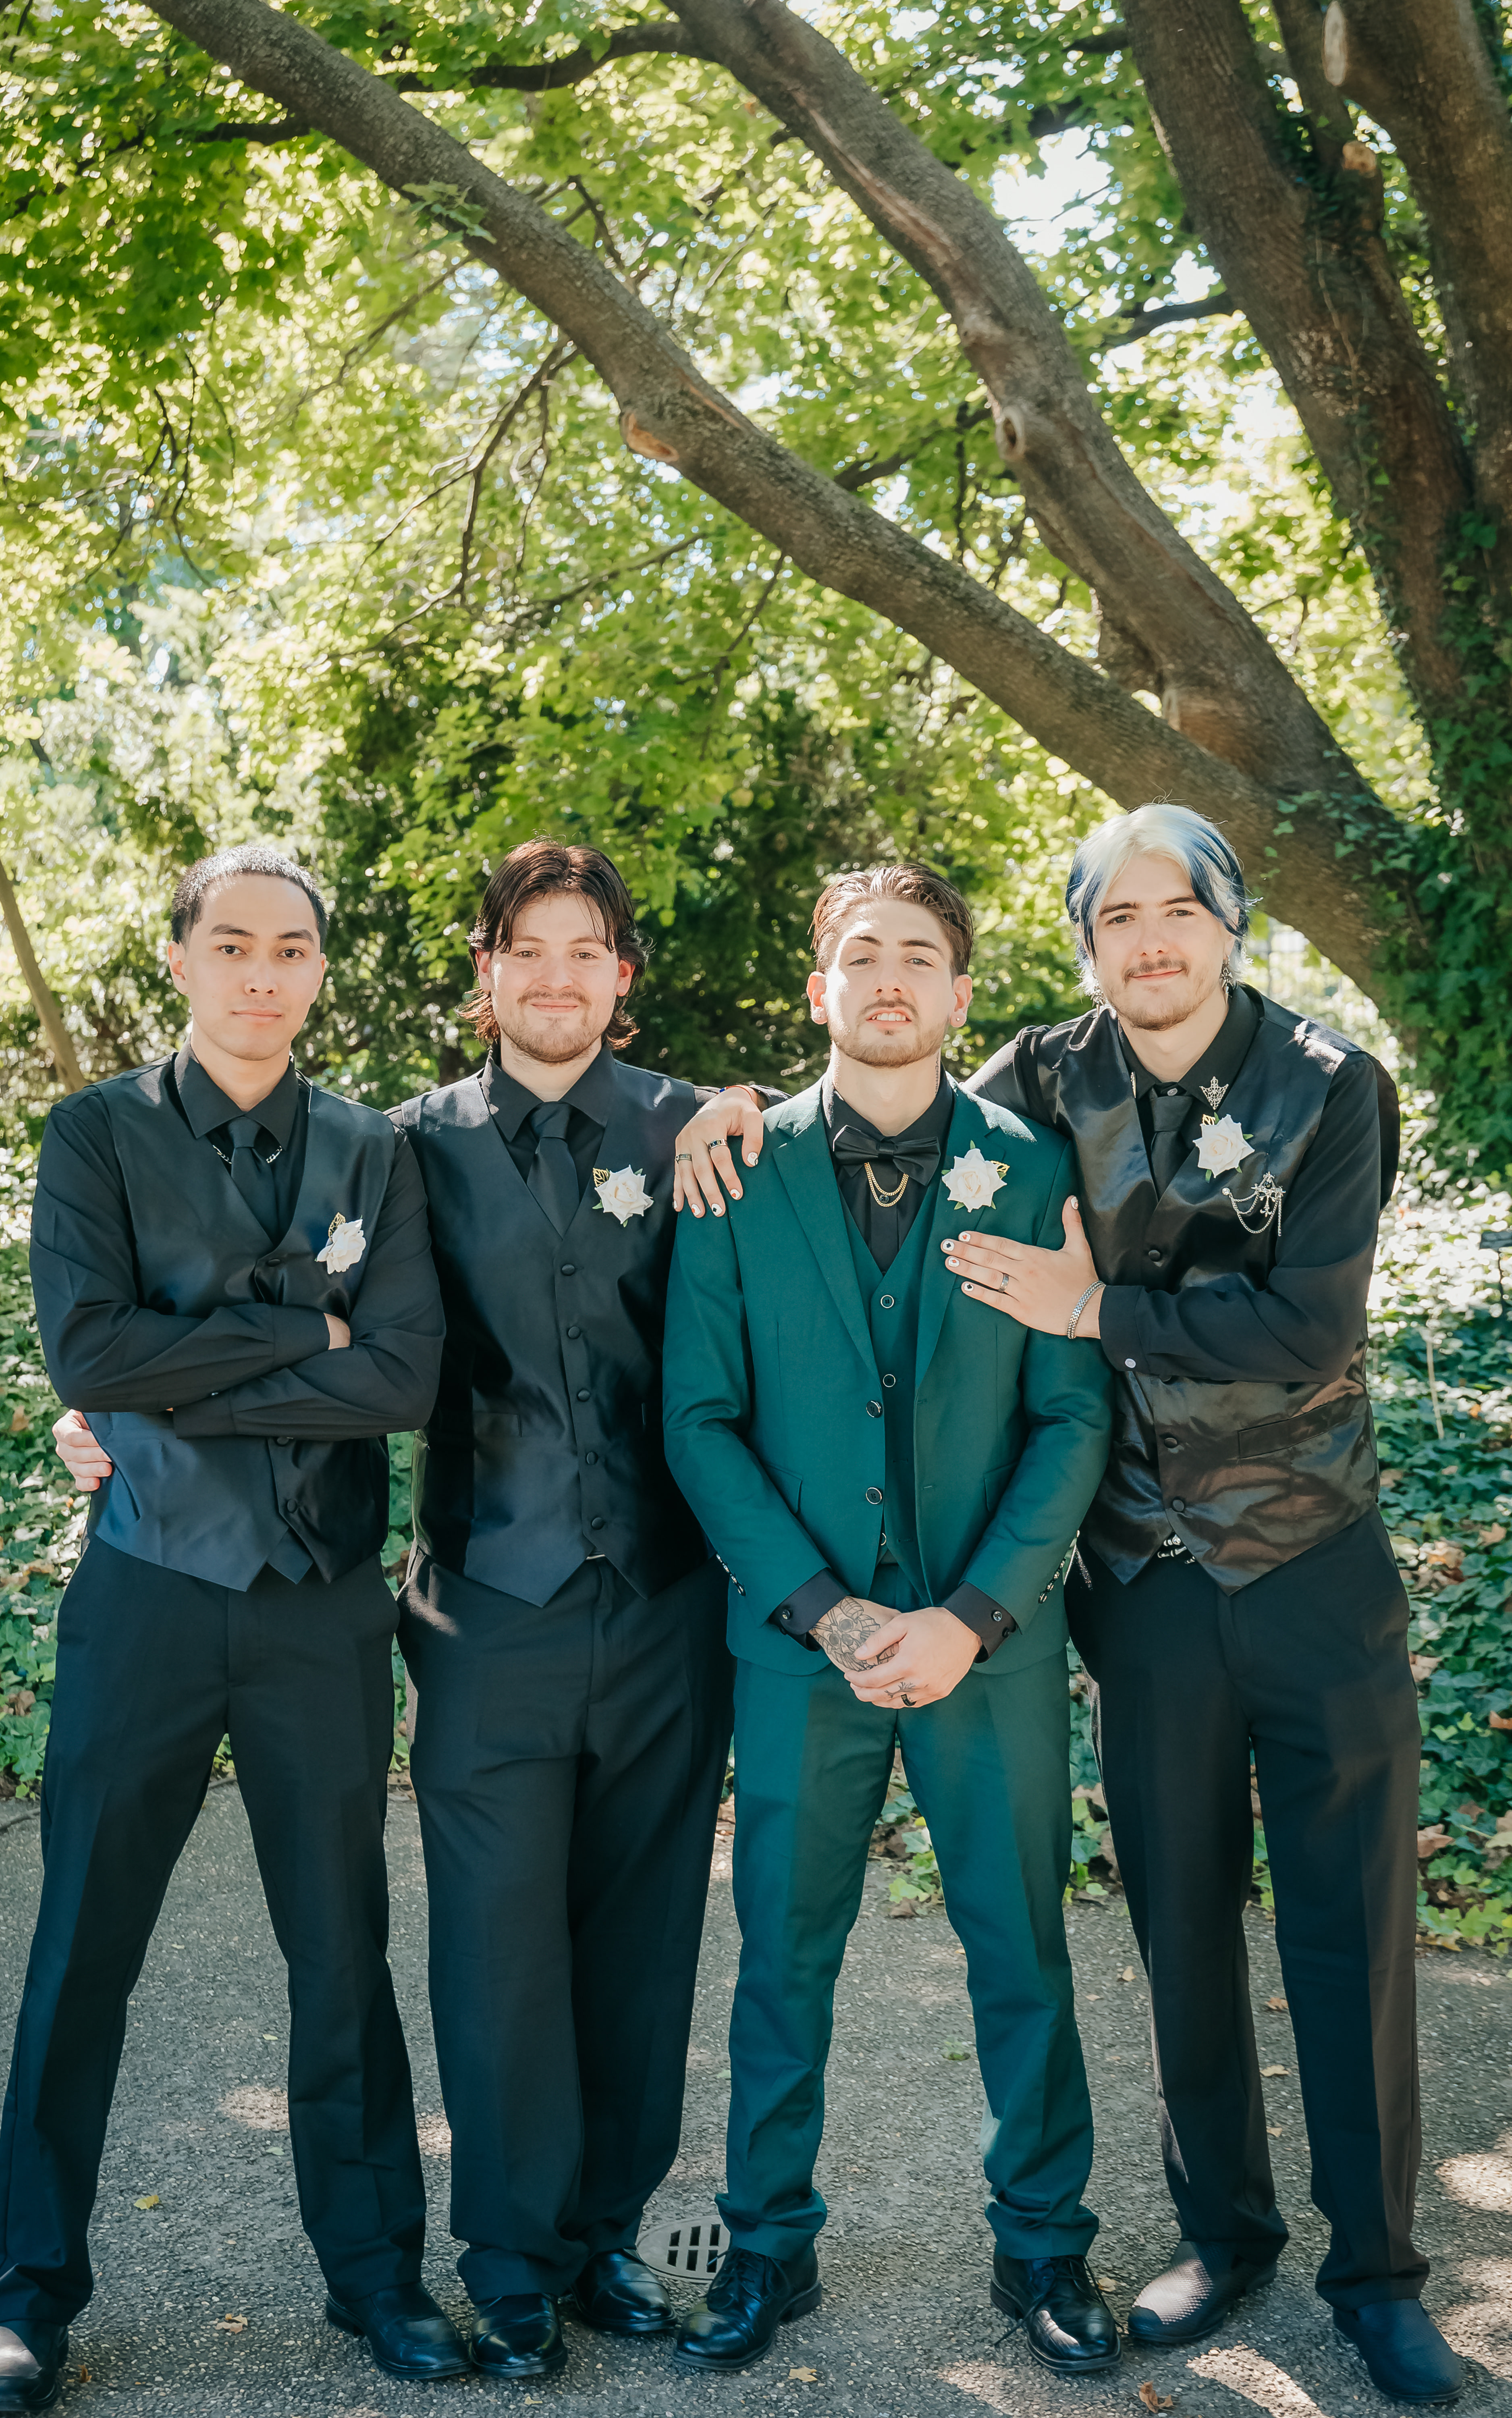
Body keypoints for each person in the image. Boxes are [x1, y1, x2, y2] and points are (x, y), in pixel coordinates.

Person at [675, 808, 1462, 2410]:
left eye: (1178, 912)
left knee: (1296, 1936)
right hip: (1104, 1595)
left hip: (1281, 1565)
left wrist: (1089, 1322)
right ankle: (1196, 2237)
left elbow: (1257, 1348)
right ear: (1088, 944)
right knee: (1156, 1930)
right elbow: (719, 1385)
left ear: (1228, 924)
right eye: (1117, 920)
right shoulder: (1026, 1087)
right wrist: (720, 1104)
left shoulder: (1319, 1086)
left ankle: (1336, 2271)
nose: (1149, 942)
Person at [0, 845, 459, 2416]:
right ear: (183, 959)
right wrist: (293, 1332)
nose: (264, 973)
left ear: (319, 969)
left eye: (293, 949)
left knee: (342, 1949)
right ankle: (27, 2295)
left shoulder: (374, 1150)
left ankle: (377, 2275)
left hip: (321, 1610)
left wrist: (186, 1371)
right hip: (147, 1590)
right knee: (82, 1946)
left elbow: (401, 1376)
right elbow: (89, 1352)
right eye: (235, 945)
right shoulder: (99, 1134)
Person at [662, 862, 1118, 2380]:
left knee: (1022, 1948)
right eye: (863, 955)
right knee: (782, 1956)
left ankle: (1043, 2244)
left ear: (962, 993)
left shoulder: (1031, 1166)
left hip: (990, 1648)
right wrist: (825, 1611)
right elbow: (700, 1419)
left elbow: (1072, 1416)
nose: (891, 979)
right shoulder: (737, 1171)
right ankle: (763, 2244)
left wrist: (972, 1617)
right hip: (803, 1649)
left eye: (921, 956)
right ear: (821, 988)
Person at [385, 843, 777, 2378]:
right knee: (496, 1948)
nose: (556, 977)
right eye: (526, 949)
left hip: (667, 1605)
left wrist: (750, 1102)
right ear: (487, 972)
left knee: (643, 1936)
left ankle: (607, 2231)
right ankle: (509, 2258)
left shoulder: (697, 1129)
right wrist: (112, 1416)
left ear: (621, 976)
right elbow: (301, 1314)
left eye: (585, 951)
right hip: (488, 1606)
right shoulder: (405, 1147)